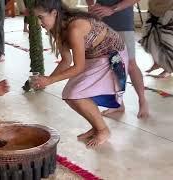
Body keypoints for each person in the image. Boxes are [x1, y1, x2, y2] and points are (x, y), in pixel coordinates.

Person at [32, 0, 129, 147]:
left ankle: (103, 130)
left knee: (75, 93)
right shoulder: (56, 27)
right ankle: (97, 127)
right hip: (94, 57)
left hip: (112, 57)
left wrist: (49, 81)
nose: (40, 22)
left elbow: (78, 67)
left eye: (40, 17)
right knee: (70, 94)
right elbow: (66, 60)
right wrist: (47, 79)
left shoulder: (75, 28)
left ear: (54, 13)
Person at [86, 0, 149, 119]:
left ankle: (142, 101)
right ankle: (118, 103)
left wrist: (112, 9)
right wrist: (91, 5)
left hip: (122, 21)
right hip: (101, 21)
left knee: (130, 64)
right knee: (110, 64)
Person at [139, 0, 173, 78]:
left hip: (170, 10)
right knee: (149, 38)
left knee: (167, 42)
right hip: (154, 8)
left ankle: (168, 69)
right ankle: (157, 63)